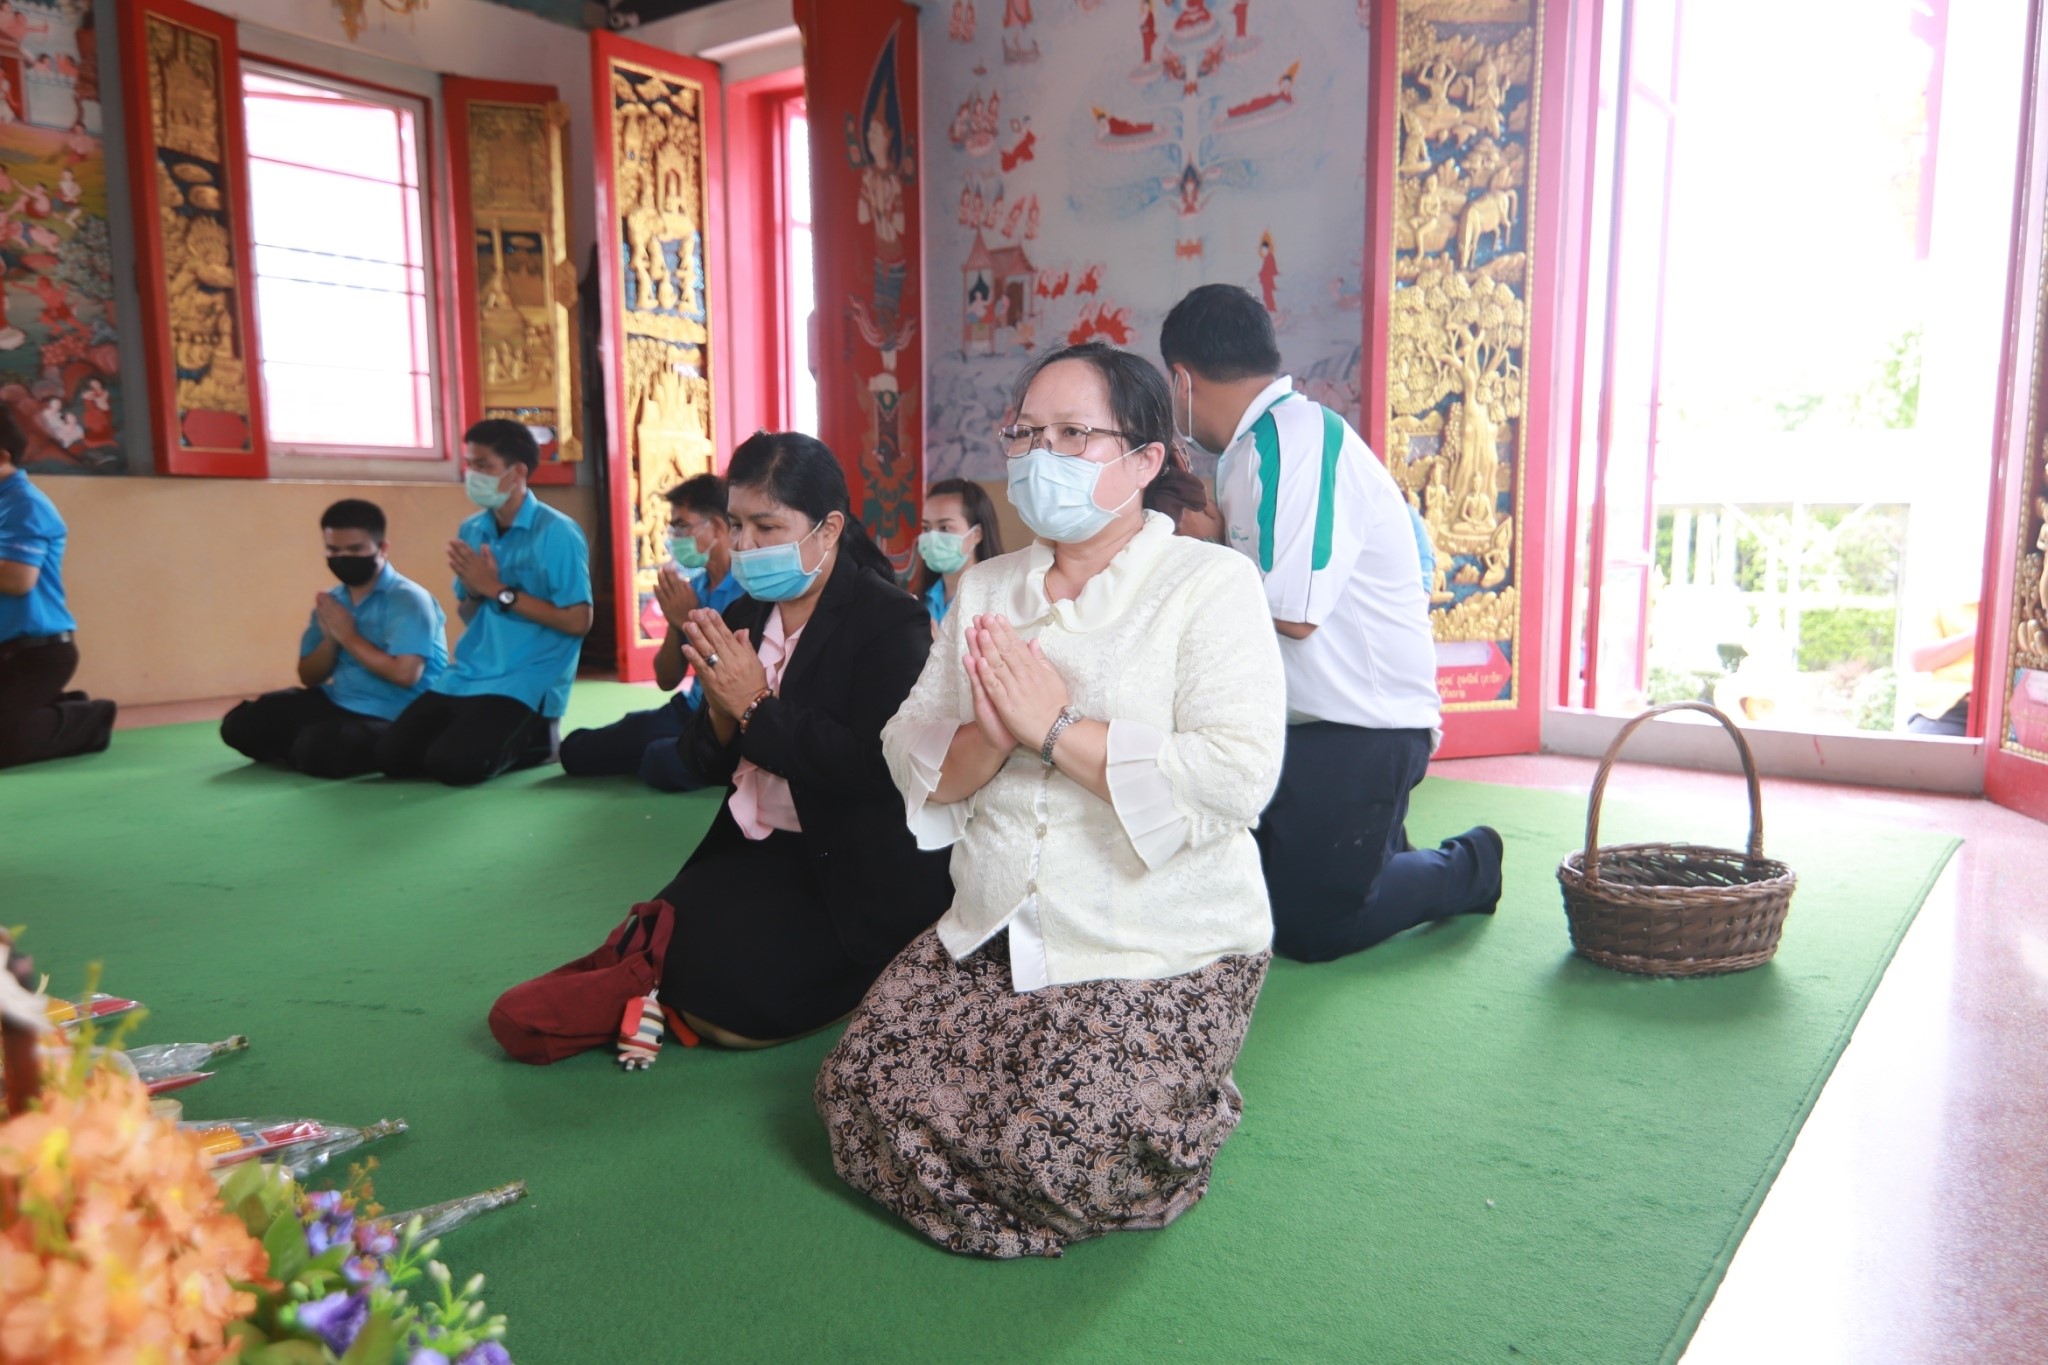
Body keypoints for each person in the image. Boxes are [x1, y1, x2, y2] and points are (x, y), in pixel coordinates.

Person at [816, 342, 1286, 1259]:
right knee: (856, 1091)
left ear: (1145, 461)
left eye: (1074, 434)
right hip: (998, 921)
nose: (1041, 455)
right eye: (1027, 433)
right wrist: (991, 734)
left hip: (1157, 940)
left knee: (1060, 1149)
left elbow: (1235, 773)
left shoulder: (1208, 584)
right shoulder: (987, 588)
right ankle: (1015, 1135)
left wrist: (1054, 726)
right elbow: (909, 747)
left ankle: (1177, 1117)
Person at [1160, 284, 1501, 963]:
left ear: (1182, 380)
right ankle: (1373, 844)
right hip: (1298, 724)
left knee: (1311, 926)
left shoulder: (1293, 440)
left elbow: (1293, 615)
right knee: (1228, 890)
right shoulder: (1249, 452)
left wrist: (1202, 549)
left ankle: (1473, 863)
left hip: (1362, 725)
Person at [645, 431, 952, 1047]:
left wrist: (755, 707)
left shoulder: (890, 622)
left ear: (828, 529)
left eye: (767, 527)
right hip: (760, 842)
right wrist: (723, 713)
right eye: (737, 525)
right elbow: (699, 762)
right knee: (660, 941)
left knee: (729, 1011)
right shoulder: (744, 615)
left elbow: (875, 768)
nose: (744, 545)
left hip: (854, 858)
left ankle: (878, 966)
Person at [377, 420, 591, 786]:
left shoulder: (558, 532)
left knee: (453, 765)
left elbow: (578, 621)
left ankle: (541, 740)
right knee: (392, 757)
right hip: (470, 672)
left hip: (526, 679)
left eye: (483, 465)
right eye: (469, 464)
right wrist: (476, 590)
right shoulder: (472, 529)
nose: (472, 474)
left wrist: (496, 589)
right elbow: (468, 613)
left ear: (517, 472)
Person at [220, 499, 447, 779]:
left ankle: (312, 748)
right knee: (241, 724)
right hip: (339, 701)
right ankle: (303, 749)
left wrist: (348, 636)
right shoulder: (332, 601)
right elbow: (309, 676)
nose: (343, 558)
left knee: (325, 747)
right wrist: (330, 641)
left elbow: (406, 675)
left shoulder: (408, 600)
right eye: (334, 550)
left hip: (396, 713)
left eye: (355, 549)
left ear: (382, 548)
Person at [558, 474, 742, 789]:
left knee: (660, 761)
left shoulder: (745, 591)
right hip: (687, 711)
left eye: (682, 526)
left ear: (717, 527)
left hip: (723, 721)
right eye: (673, 527)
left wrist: (690, 623)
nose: (673, 537)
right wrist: (676, 622)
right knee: (574, 751)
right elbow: (666, 680)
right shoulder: (695, 587)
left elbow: (731, 679)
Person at [0, 407, 112, 768]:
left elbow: (17, 580)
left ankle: (89, 720)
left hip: (35, 655)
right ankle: (48, 707)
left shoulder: (24, 505)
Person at [907, 476, 1004, 627]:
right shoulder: (921, 597)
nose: (932, 537)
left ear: (976, 534)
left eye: (945, 528)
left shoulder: (998, 598)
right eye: (926, 528)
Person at [1905, 599, 1977, 735]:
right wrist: (1978, 634)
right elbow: (1919, 661)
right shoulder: (1945, 607)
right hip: (1951, 710)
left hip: (2007, 714)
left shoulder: (2018, 613)